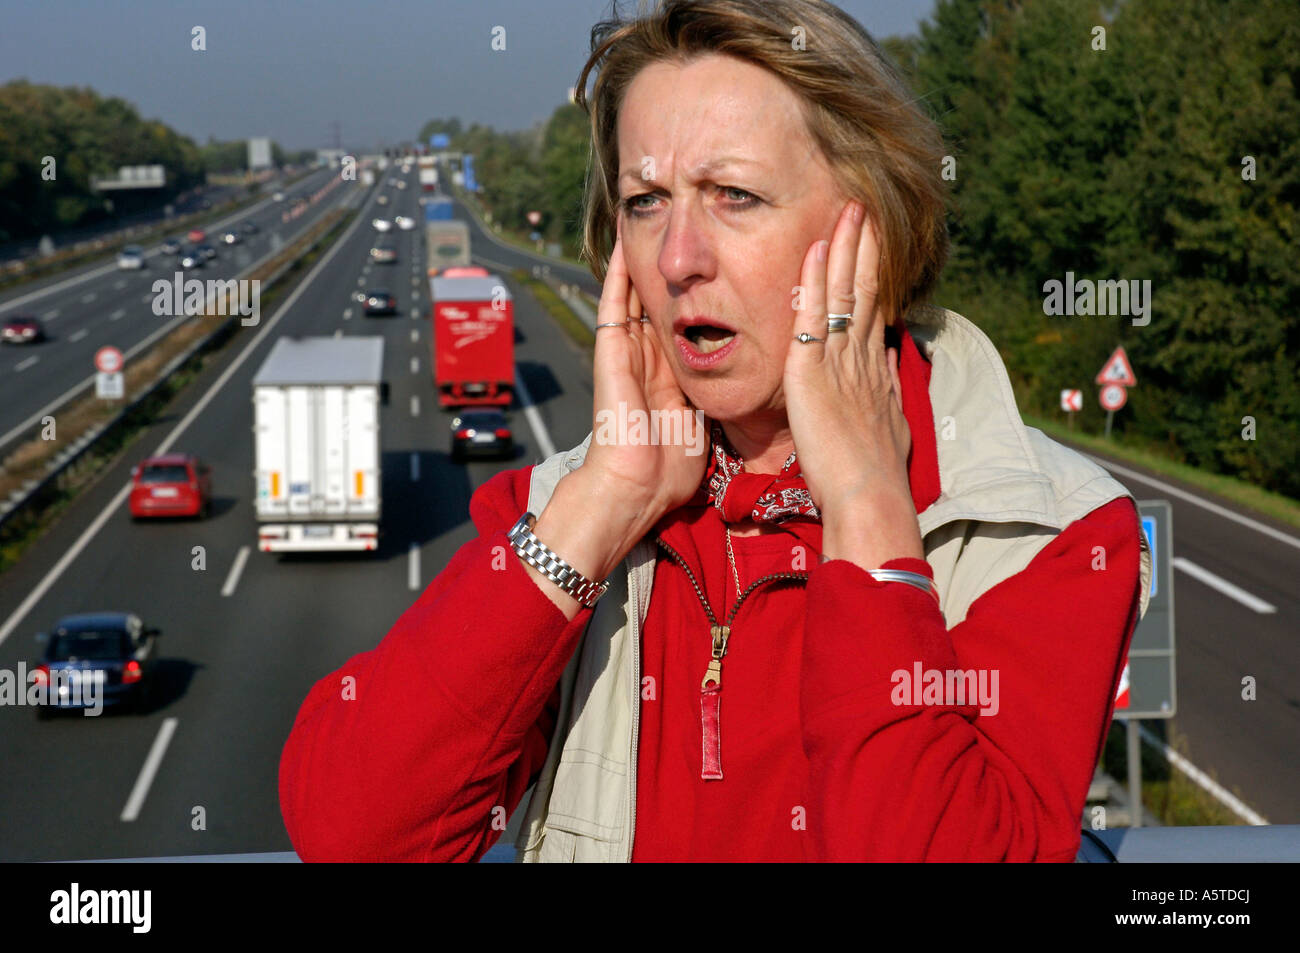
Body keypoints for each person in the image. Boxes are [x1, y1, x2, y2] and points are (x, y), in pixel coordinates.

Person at [279, 0, 1151, 862]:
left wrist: (867, 507)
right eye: (645, 200)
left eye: (733, 195)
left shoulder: (1048, 534)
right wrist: (604, 505)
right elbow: (354, 832)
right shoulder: (567, 509)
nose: (676, 257)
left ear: (873, 231)